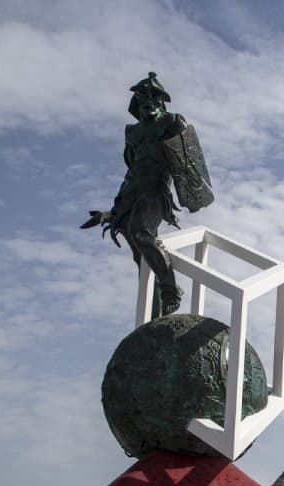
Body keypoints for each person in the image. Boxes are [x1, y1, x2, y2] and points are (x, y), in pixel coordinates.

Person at [82, 72, 213, 317]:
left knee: (141, 233)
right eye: (144, 99)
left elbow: (186, 159)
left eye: (154, 99)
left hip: (155, 191)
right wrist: (111, 211)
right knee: (141, 257)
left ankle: (170, 289)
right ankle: (155, 312)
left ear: (161, 103)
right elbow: (131, 171)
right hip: (133, 192)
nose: (149, 104)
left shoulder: (172, 122)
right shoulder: (133, 133)